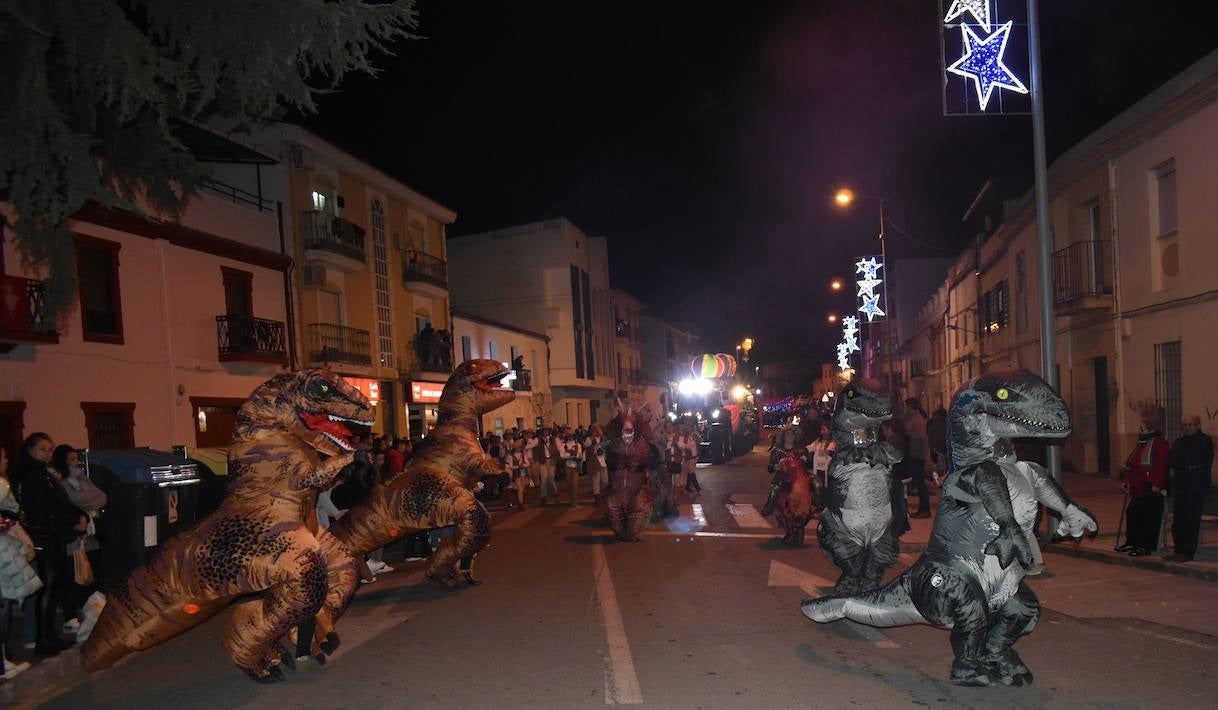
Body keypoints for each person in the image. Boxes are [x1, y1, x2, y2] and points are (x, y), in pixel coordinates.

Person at [8, 433, 86, 654]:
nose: (47, 453)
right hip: (44, 536)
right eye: (43, 449)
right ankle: (44, 637)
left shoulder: (39, 473)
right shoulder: (32, 475)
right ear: (30, 449)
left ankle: (49, 634)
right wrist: (72, 519)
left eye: (50, 449)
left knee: (53, 586)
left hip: (49, 534)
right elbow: (48, 504)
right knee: (49, 587)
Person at [52, 444, 106, 636]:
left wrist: (85, 501)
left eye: (76, 459)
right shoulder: (59, 481)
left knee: (91, 573)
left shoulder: (82, 478)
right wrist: (86, 502)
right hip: (72, 534)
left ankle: (91, 612)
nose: (76, 464)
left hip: (89, 533)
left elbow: (101, 497)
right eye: (71, 460)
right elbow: (72, 499)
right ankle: (70, 617)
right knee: (73, 575)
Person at [1119, 417, 1171, 556]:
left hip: (1150, 487)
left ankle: (1145, 546)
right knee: (1133, 513)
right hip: (1138, 487)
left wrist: (1157, 484)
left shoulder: (1160, 444)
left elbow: (1161, 467)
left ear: (1152, 428)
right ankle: (1132, 542)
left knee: (1148, 518)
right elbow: (1133, 465)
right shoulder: (1142, 443)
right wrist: (1127, 481)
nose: (1140, 430)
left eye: (1143, 427)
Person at [1167, 414, 1213, 562]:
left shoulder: (1204, 441)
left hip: (1196, 487)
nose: (1187, 428)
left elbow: (1199, 461)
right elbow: (1173, 460)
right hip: (1181, 486)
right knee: (1178, 521)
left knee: (1191, 521)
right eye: (1184, 425)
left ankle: (1187, 553)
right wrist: (1185, 465)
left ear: (1198, 426)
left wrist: (1186, 465)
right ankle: (1178, 550)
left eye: (1190, 425)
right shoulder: (1179, 442)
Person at [900, 398, 931, 518]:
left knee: (920, 483)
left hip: (917, 454)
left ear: (911, 406)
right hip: (919, 454)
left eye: (906, 406)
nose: (906, 409)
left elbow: (911, 434)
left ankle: (925, 509)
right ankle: (923, 509)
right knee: (919, 482)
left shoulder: (916, 419)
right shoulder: (918, 418)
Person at [804, 422, 836, 501]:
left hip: (827, 472)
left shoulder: (834, 442)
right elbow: (809, 447)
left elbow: (836, 453)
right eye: (821, 430)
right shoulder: (818, 441)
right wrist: (802, 451)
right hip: (817, 470)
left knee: (827, 490)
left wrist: (829, 453)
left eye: (824, 429)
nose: (822, 432)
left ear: (830, 430)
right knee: (817, 489)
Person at [926, 407, 948, 485]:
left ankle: (938, 481)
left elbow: (931, 438)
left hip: (937, 450)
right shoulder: (949, 424)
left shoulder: (933, 425)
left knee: (937, 467)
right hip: (947, 450)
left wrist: (933, 448)